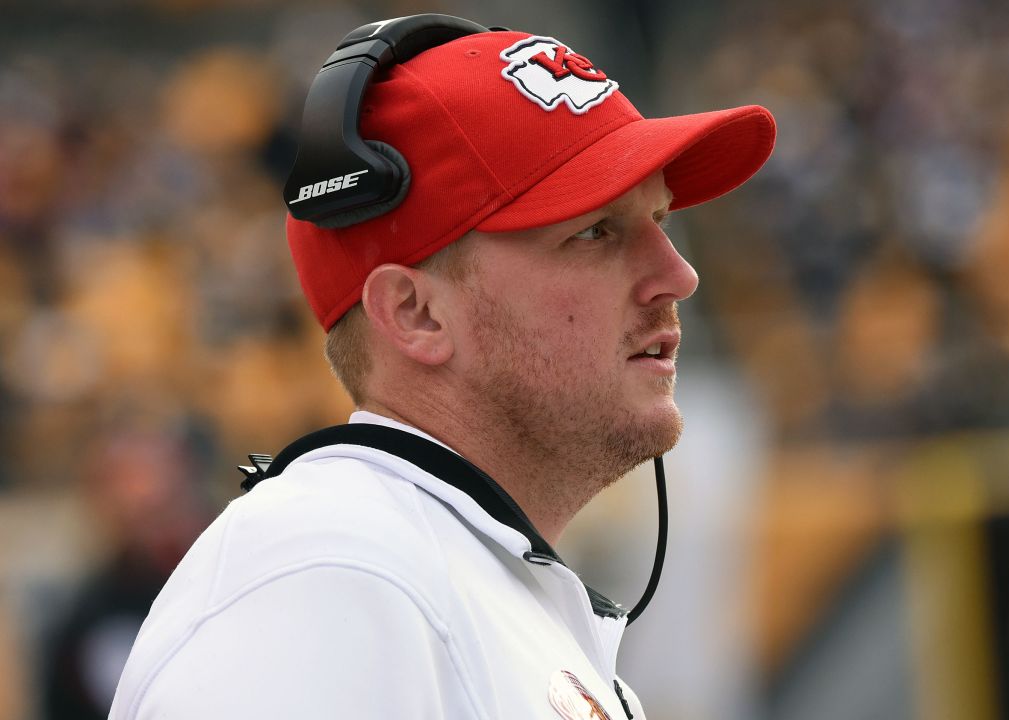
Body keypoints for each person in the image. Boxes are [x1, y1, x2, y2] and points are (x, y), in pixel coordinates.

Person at [109, 14, 774, 720]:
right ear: (415, 313)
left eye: (660, 222)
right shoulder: (327, 578)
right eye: (594, 232)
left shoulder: (425, 574)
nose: (678, 275)